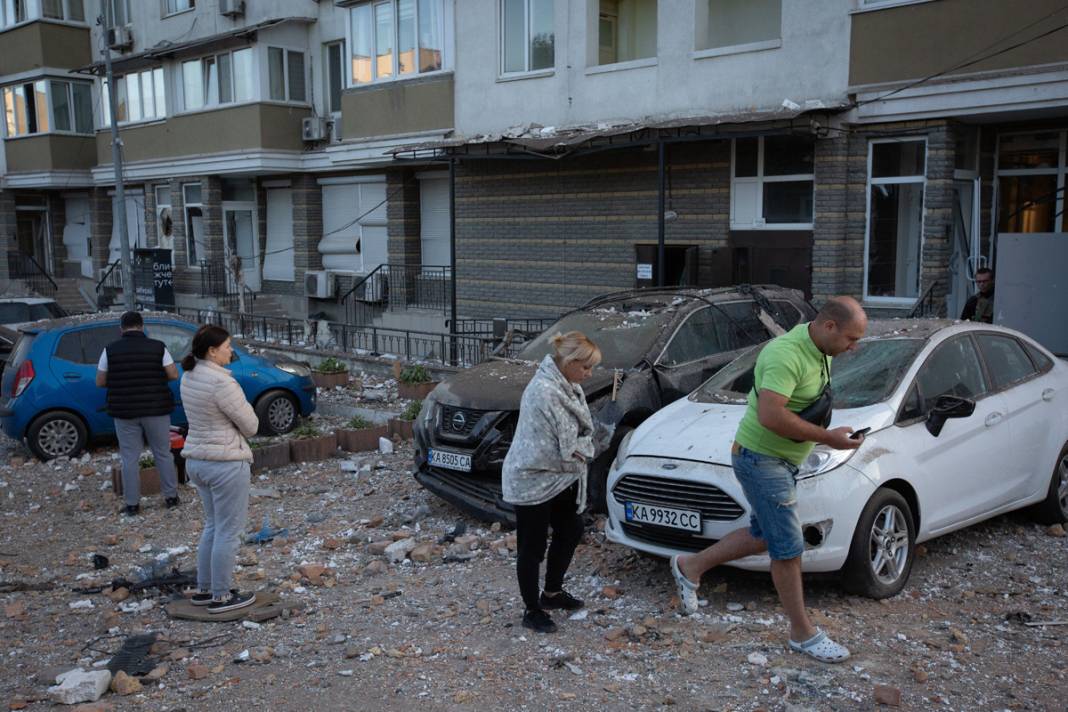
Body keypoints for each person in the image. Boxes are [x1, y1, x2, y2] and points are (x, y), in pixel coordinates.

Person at [669, 297, 868, 663]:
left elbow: (799, 407)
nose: (853, 348)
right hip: (762, 460)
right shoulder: (785, 354)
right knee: (788, 547)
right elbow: (771, 417)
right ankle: (802, 634)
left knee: (765, 535)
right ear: (829, 327)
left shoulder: (819, 347)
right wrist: (828, 438)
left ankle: (690, 566)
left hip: (782, 460)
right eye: (851, 339)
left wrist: (826, 436)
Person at [503, 331, 605, 634]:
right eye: (585, 367)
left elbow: (577, 437)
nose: (589, 374)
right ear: (569, 362)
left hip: (559, 477)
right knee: (531, 546)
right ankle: (531, 610)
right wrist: (590, 447)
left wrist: (584, 444)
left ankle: (551, 593)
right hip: (532, 476)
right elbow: (561, 448)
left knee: (571, 529)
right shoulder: (545, 391)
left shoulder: (568, 386)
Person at [180, 324, 260, 613]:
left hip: (197, 459)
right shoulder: (222, 383)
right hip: (225, 463)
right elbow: (251, 426)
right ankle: (222, 596)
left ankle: (205, 589)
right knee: (228, 531)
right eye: (227, 347)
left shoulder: (189, 375)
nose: (231, 351)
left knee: (213, 526)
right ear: (213, 351)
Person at [95, 311, 180, 516]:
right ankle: (171, 497)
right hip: (156, 408)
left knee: (129, 457)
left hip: (124, 410)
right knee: (163, 453)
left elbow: (100, 381)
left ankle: (132, 504)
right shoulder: (158, 347)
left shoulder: (109, 350)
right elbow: (173, 374)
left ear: (121, 329)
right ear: (142, 326)